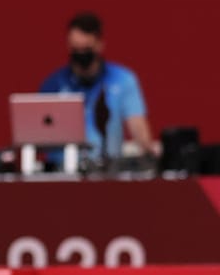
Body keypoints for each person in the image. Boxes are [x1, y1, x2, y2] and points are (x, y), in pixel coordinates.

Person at [38, 11, 157, 162]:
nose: (81, 54)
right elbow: (39, 136)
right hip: (63, 170)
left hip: (107, 168)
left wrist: (150, 156)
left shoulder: (122, 79)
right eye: (76, 49)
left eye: (86, 49)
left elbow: (138, 128)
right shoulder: (53, 85)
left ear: (99, 45)